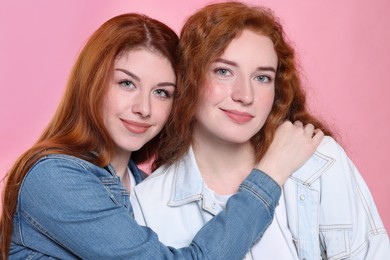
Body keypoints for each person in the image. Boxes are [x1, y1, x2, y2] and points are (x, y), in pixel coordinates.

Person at [0, 13, 323, 259]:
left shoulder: (142, 186)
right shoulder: (56, 177)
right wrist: (270, 174)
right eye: (126, 83)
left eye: (163, 92)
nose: (144, 108)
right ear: (92, 84)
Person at [131, 2, 390, 259]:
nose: (245, 95)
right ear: (189, 78)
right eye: (223, 71)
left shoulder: (318, 161)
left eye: (262, 77)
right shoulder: (147, 205)